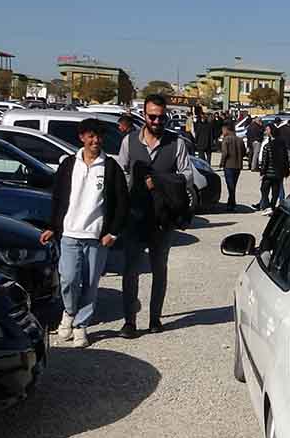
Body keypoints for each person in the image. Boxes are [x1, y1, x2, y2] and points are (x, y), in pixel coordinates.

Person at [39, 119, 128, 349]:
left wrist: (113, 233)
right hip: (69, 234)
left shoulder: (110, 167)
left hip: (96, 237)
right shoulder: (69, 164)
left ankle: (81, 325)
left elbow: (121, 204)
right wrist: (52, 226)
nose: (95, 141)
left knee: (90, 283)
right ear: (81, 138)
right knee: (68, 279)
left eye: (98, 136)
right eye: (90, 136)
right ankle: (69, 313)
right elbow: (58, 198)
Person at [117, 94, 195, 339]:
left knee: (159, 269)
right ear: (144, 115)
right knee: (130, 270)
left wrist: (160, 182)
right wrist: (133, 186)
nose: (157, 121)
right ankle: (129, 321)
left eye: (162, 117)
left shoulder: (177, 143)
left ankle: (154, 318)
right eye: (152, 116)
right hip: (136, 216)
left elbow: (187, 176)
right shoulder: (129, 142)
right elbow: (121, 172)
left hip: (163, 219)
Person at [255, 126, 285, 210]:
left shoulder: (268, 146)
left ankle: (268, 206)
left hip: (269, 173)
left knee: (264, 189)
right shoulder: (281, 144)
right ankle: (271, 207)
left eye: (267, 129)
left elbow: (265, 161)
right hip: (278, 173)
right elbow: (285, 159)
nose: (266, 131)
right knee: (275, 191)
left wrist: (262, 172)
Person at [219, 122, 246, 209]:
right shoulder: (240, 140)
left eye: (223, 130)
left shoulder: (226, 140)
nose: (222, 132)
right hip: (238, 165)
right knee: (233, 185)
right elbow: (244, 152)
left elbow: (225, 153)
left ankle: (232, 204)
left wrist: (222, 163)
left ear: (226, 130)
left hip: (228, 165)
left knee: (230, 186)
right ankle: (231, 202)